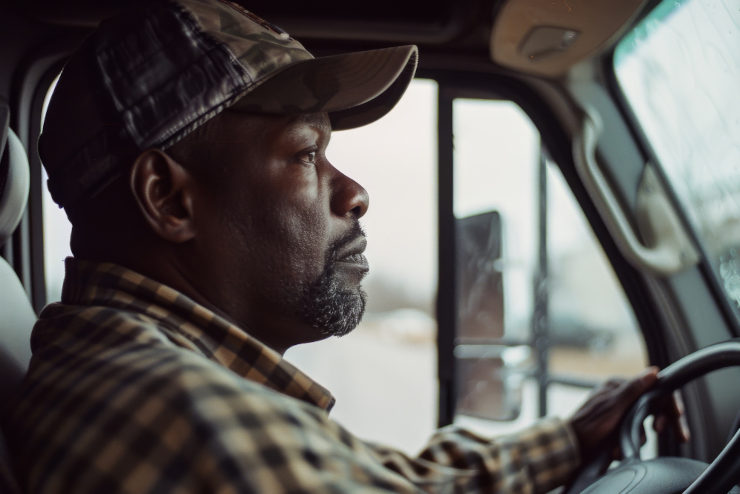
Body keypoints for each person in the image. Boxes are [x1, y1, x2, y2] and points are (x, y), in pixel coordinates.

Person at [7, 0, 688, 492]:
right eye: (306, 153)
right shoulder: (191, 418)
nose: (355, 192)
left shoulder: (138, 371)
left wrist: (567, 439)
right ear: (168, 198)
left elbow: (398, 482)